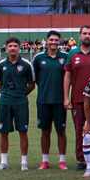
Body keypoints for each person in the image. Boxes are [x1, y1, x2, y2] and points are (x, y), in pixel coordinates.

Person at [64, 25, 90, 170]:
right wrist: (66, 97)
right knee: (79, 130)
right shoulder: (73, 53)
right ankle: (81, 160)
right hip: (77, 99)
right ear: (79, 35)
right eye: (84, 33)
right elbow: (68, 76)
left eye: (89, 33)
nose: (87, 36)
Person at [0, 37, 35, 171]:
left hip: (21, 102)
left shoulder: (26, 64)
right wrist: (5, 94)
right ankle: (4, 162)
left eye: (15, 46)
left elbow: (32, 84)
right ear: (6, 48)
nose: (12, 48)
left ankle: (24, 162)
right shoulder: (1, 65)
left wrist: (21, 94)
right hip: (5, 103)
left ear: (19, 48)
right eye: (10, 46)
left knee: (22, 131)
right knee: (3, 132)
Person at [32, 30, 68, 170]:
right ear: (46, 41)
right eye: (51, 40)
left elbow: (68, 78)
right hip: (43, 101)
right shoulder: (38, 58)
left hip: (60, 101)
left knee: (61, 131)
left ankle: (62, 160)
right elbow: (35, 79)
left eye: (56, 40)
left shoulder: (65, 57)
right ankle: (45, 160)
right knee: (45, 131)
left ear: (59, 42)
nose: (53, 42)